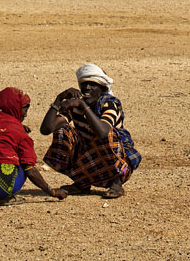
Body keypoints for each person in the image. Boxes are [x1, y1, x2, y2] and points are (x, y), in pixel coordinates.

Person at [39, 63, 141, 198]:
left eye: (93, 84)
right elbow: (46, 129)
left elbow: (103, 132)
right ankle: (82, 182)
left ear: (102, 88)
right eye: (84, 84)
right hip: (90, 157)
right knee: (62, 131)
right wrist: (58, 100)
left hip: (117, 160)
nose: (87, 88)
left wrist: (83, 106)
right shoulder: (76, 105)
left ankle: (116, 183)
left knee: (107, 134)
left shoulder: (110, 103)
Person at [0, 87, 67, 204]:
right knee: (22, 160)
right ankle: (5, 197)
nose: (25, 115)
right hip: (3, 188)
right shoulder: (18, 132)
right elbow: (30, 170)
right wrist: (52, 191)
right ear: (14, 108)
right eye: (24, 110)